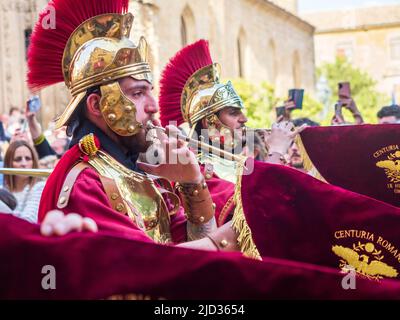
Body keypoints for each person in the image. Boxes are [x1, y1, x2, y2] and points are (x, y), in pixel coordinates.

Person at [27, 0, 242, 252]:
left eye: (150, 92)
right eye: (138, 93)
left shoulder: (145, 169)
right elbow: (141, 266)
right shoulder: (86, 182)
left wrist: (192, 182)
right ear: (97, 105)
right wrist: (227, 239)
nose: (153, 106)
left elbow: (184, 243)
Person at [158, 40, 303, 225]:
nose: (244, 119)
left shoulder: (237, 162)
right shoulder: (198, 170)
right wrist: (276, 151)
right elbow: (253, 213)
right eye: (234, 113)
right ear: (209, 123)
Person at [3, 140, 45, 223]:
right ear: (9, 163)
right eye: (18, 159)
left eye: (28, 158)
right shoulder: (4, 189)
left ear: (34, 162)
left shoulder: (40, 187)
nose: (24, 163)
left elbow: (28, 222)